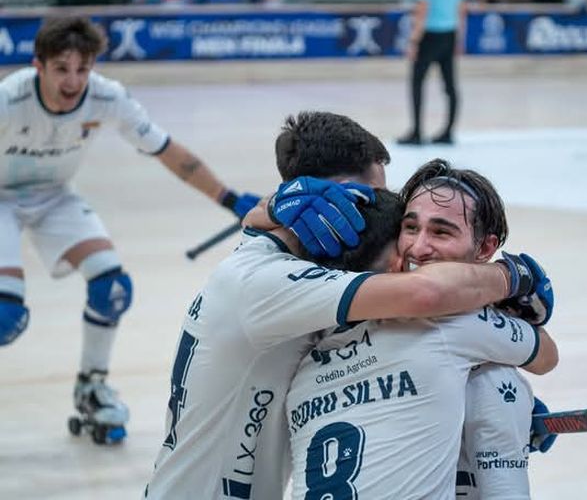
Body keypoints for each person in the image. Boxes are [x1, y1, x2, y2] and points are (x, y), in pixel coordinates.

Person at [144, 112, 540, 499]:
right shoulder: (271, 282)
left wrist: (468, 384)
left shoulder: (285, 261)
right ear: (342, 194)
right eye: (373, 195)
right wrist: (514, 276)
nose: (380, 211)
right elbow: (425, 294)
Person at [0, 16, 260, 444]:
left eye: (82, 69)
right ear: (38, 66)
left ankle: (92, 384)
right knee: (5, 317)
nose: (73, 81)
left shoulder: (106, 97)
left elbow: (168, 151)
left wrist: (229, 198)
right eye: (61, 69)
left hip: (54, 196)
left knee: (113, 289)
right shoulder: (10, 99)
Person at [287, 158, 559, 498]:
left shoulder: (314, 336)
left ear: (485, 247)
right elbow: (546, 355)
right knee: (498, 384)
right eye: (411, 228)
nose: (418, 247)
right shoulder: (454, 324)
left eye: (441, 232)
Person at [397, 0, 466, 146]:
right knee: (450, 84)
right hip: (449, 34)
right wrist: (459, 38)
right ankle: (448, 131)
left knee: (417, 83)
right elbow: (461, 8)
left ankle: (417, 131)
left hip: (429, 35)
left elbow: (422, 8)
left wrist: (414, 40)